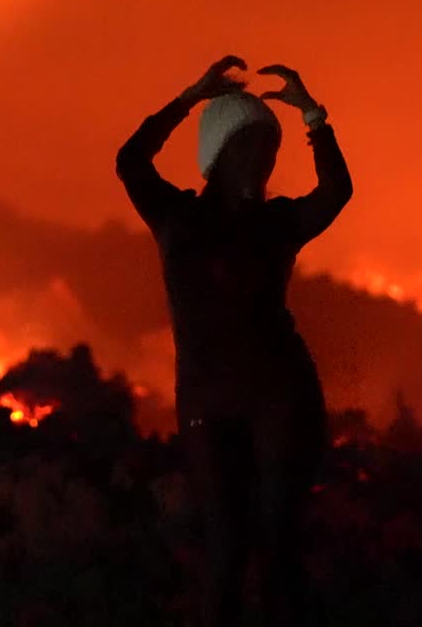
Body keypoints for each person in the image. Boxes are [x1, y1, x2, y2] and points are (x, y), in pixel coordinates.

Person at [116, 55, 353, 626]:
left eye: (270, 149)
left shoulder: (278, 223)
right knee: (224, 555)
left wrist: (313, 118)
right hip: (206, 404)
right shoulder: (175, 216)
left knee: (277, 551)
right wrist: (190, 97)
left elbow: (336, 191)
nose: (264, 159)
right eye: (250, 144)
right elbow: (130, 161)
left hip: (281, 396)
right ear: (218, 154)